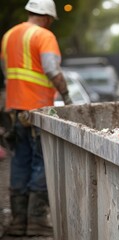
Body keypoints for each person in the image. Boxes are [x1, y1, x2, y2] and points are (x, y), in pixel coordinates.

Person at [0, 0, 72, 236]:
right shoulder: (44, 35)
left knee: (19, 163)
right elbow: (51, 69)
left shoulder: (9, 35)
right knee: (41, 163)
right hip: (37, 111)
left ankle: (18, 222)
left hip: (14, 110)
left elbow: (6, 70)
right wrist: (66, 96)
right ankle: (37, 221)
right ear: (48, 18)